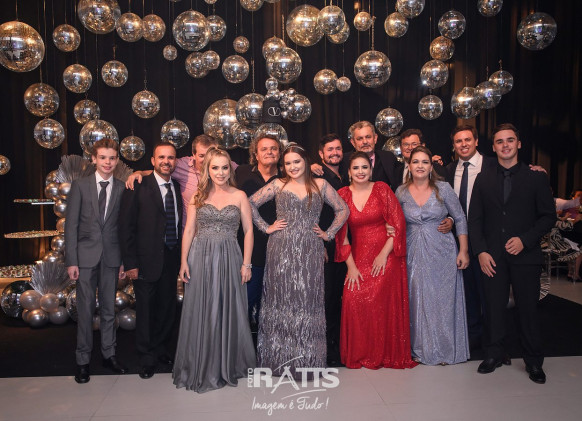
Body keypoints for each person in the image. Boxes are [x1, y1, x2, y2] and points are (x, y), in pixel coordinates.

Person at [249, 143, 349, 378]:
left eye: (297, 161)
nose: (293, 167)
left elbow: (343, 210)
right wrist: (266, 227)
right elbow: (250, 203)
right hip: (280, 249)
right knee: (281, 301)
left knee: (307, 302)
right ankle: (277, 360)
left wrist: (328, 234)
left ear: (306, 161)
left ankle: (308, 361)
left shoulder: (321, 185)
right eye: (288, 163)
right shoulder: (278, 184)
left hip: (310, 249)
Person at [469, 123, 556, 384]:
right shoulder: (483, 179)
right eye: (499, 141)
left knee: (528, 309)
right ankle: (493, 354)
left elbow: (548, 217)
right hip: (492, 256)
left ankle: (533, 361)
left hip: (526, 256)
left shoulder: (536, 177)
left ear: (519, 144)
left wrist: (525, 240)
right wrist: (481, 251)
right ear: (493, 147)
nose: (505, 145)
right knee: (493, 308)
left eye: (509, 140)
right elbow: (475, 219)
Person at [173, 147, 255, 393]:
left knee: (228, 307)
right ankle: (202, 363)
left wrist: (247, 263)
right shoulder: (198, 196)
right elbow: (189, 230)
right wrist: (183, 261)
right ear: (207, 170)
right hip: (201, 257)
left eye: (224, 167)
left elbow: (248, 231)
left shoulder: (239, 195)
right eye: (215, 167)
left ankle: (228, 363)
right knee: (202, 308)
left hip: (230, 256)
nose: (220, 172)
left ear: (230, 169)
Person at [335, 151, 416, 369]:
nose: (360, 171)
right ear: (349, 172)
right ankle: (362, 353)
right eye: (356, 168)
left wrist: (383, 255)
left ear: (371, 170)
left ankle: (383, 353)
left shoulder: (382, 189)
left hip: (386, 255)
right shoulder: (342, 195)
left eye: (364, 167)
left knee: (379, 300)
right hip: (358, 257)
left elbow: (398, 224)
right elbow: (341, 236)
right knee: (353, 298)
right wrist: (351, 267)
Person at [396, 146, 470, 365]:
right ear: (409, 166)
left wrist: (463, 250)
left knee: (442, 301)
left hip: (442, 251)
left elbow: (459, 218)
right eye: (415, 162)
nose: (420, 166)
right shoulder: (400, 191)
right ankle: (419, 349)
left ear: (431, 166)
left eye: (425, 162)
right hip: (412, 252)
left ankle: (445, 350)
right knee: (416, 299)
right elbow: (393, 221)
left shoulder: (443, 188)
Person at [65, 138, 128, 384]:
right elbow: (71, 226)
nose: (107, 162)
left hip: (112, 256)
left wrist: (123, 260)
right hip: (85, 257)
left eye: (112, 158)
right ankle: (83, 360)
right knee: (85, 310)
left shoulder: (122, 188)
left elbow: (123, 229)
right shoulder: (80, 186)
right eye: (103, 158)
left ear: (117, 160)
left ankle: (109, 355)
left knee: (109, 309)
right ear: (94, 159)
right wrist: (72, 260)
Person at [119, 142, 182, 379]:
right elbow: (126, 227)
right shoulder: (137, 185)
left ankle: (161, 348)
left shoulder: (176, 186)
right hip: (145, 260)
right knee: (145, 310)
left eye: (171, 158)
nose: (166, 161)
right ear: (153, 161)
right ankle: (146, 356)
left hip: (171, 257)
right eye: (161, 157)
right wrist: (131, 263)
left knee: (167, 307)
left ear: (175, 161)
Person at [445, 125, 498, 351]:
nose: (463, 144)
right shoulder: (448, 171)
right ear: (454, 146)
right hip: (460, 243)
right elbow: (445, 203)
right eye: (458, 141)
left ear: (476, 141)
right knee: (468, 294)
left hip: (488, 242)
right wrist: (449, 218)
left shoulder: (493, 166)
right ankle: (473, 342)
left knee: (492, 296)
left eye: (467, 140)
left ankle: (496, 344)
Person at [235, 135, 282, 330]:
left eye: (273, 148)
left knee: (273, 305)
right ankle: (244, 344)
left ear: (279, 153)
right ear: (255, 154)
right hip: (249, 249)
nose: (269, 152)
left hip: (279, 249)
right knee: (245, 301)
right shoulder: (241, 173)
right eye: (264, 149)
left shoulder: (288, 175)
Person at [126, 134, 219, 230]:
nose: (206, 159)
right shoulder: (183, 165)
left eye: (210, 154)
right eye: (202, 156)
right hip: (189, 233)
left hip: (216, 232)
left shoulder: (222, 168)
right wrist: (140, 173)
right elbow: (161, 170)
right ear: (194, 155)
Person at [317, 133, 348, 366]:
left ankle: (341, 347)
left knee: (341, 298)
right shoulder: (317, 177)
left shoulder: (347, 174)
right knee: (327, 300)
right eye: (330, 149)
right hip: (327, 246)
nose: (334, 153)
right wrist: (321, 243)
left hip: (347, 245)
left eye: (338, 149)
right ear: (321, 154)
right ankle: (327, 351)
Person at [343, 121, 398, 190]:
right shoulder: (344, 160)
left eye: (368, 137)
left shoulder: (388, 158)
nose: (365, 142)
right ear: (353, 142)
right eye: (360, 139)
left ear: (375, 138)